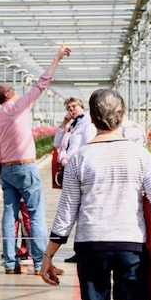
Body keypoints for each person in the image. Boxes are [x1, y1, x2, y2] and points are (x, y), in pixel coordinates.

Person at [39, 89, 151, 300]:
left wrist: (48, 256)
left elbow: (66, 213)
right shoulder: (141, 156)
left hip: (90, 246)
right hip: (130, 244)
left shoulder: (79, 159)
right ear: (122, 117)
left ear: (91, 117)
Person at [0, 41, 71, 275]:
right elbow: (41, 84)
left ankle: (10, 263)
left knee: (9, 214)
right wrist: (57, 58)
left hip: (6, 171)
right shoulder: (17, 107)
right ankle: (39, 264)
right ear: (9, 94)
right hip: (25, 168)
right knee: (36, 215)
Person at [52, 97, 96, 263]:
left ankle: (83, 250)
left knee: (80, 210)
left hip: (77, 169)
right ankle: (79, 250)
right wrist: (63, 125)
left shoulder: (87, 123)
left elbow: (88, 145)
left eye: (74, 106)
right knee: (74, 209)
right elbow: (57, 144)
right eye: (69, 107)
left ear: (81, 107)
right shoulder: (72, 124)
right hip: (67, 170)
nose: (71, 110)